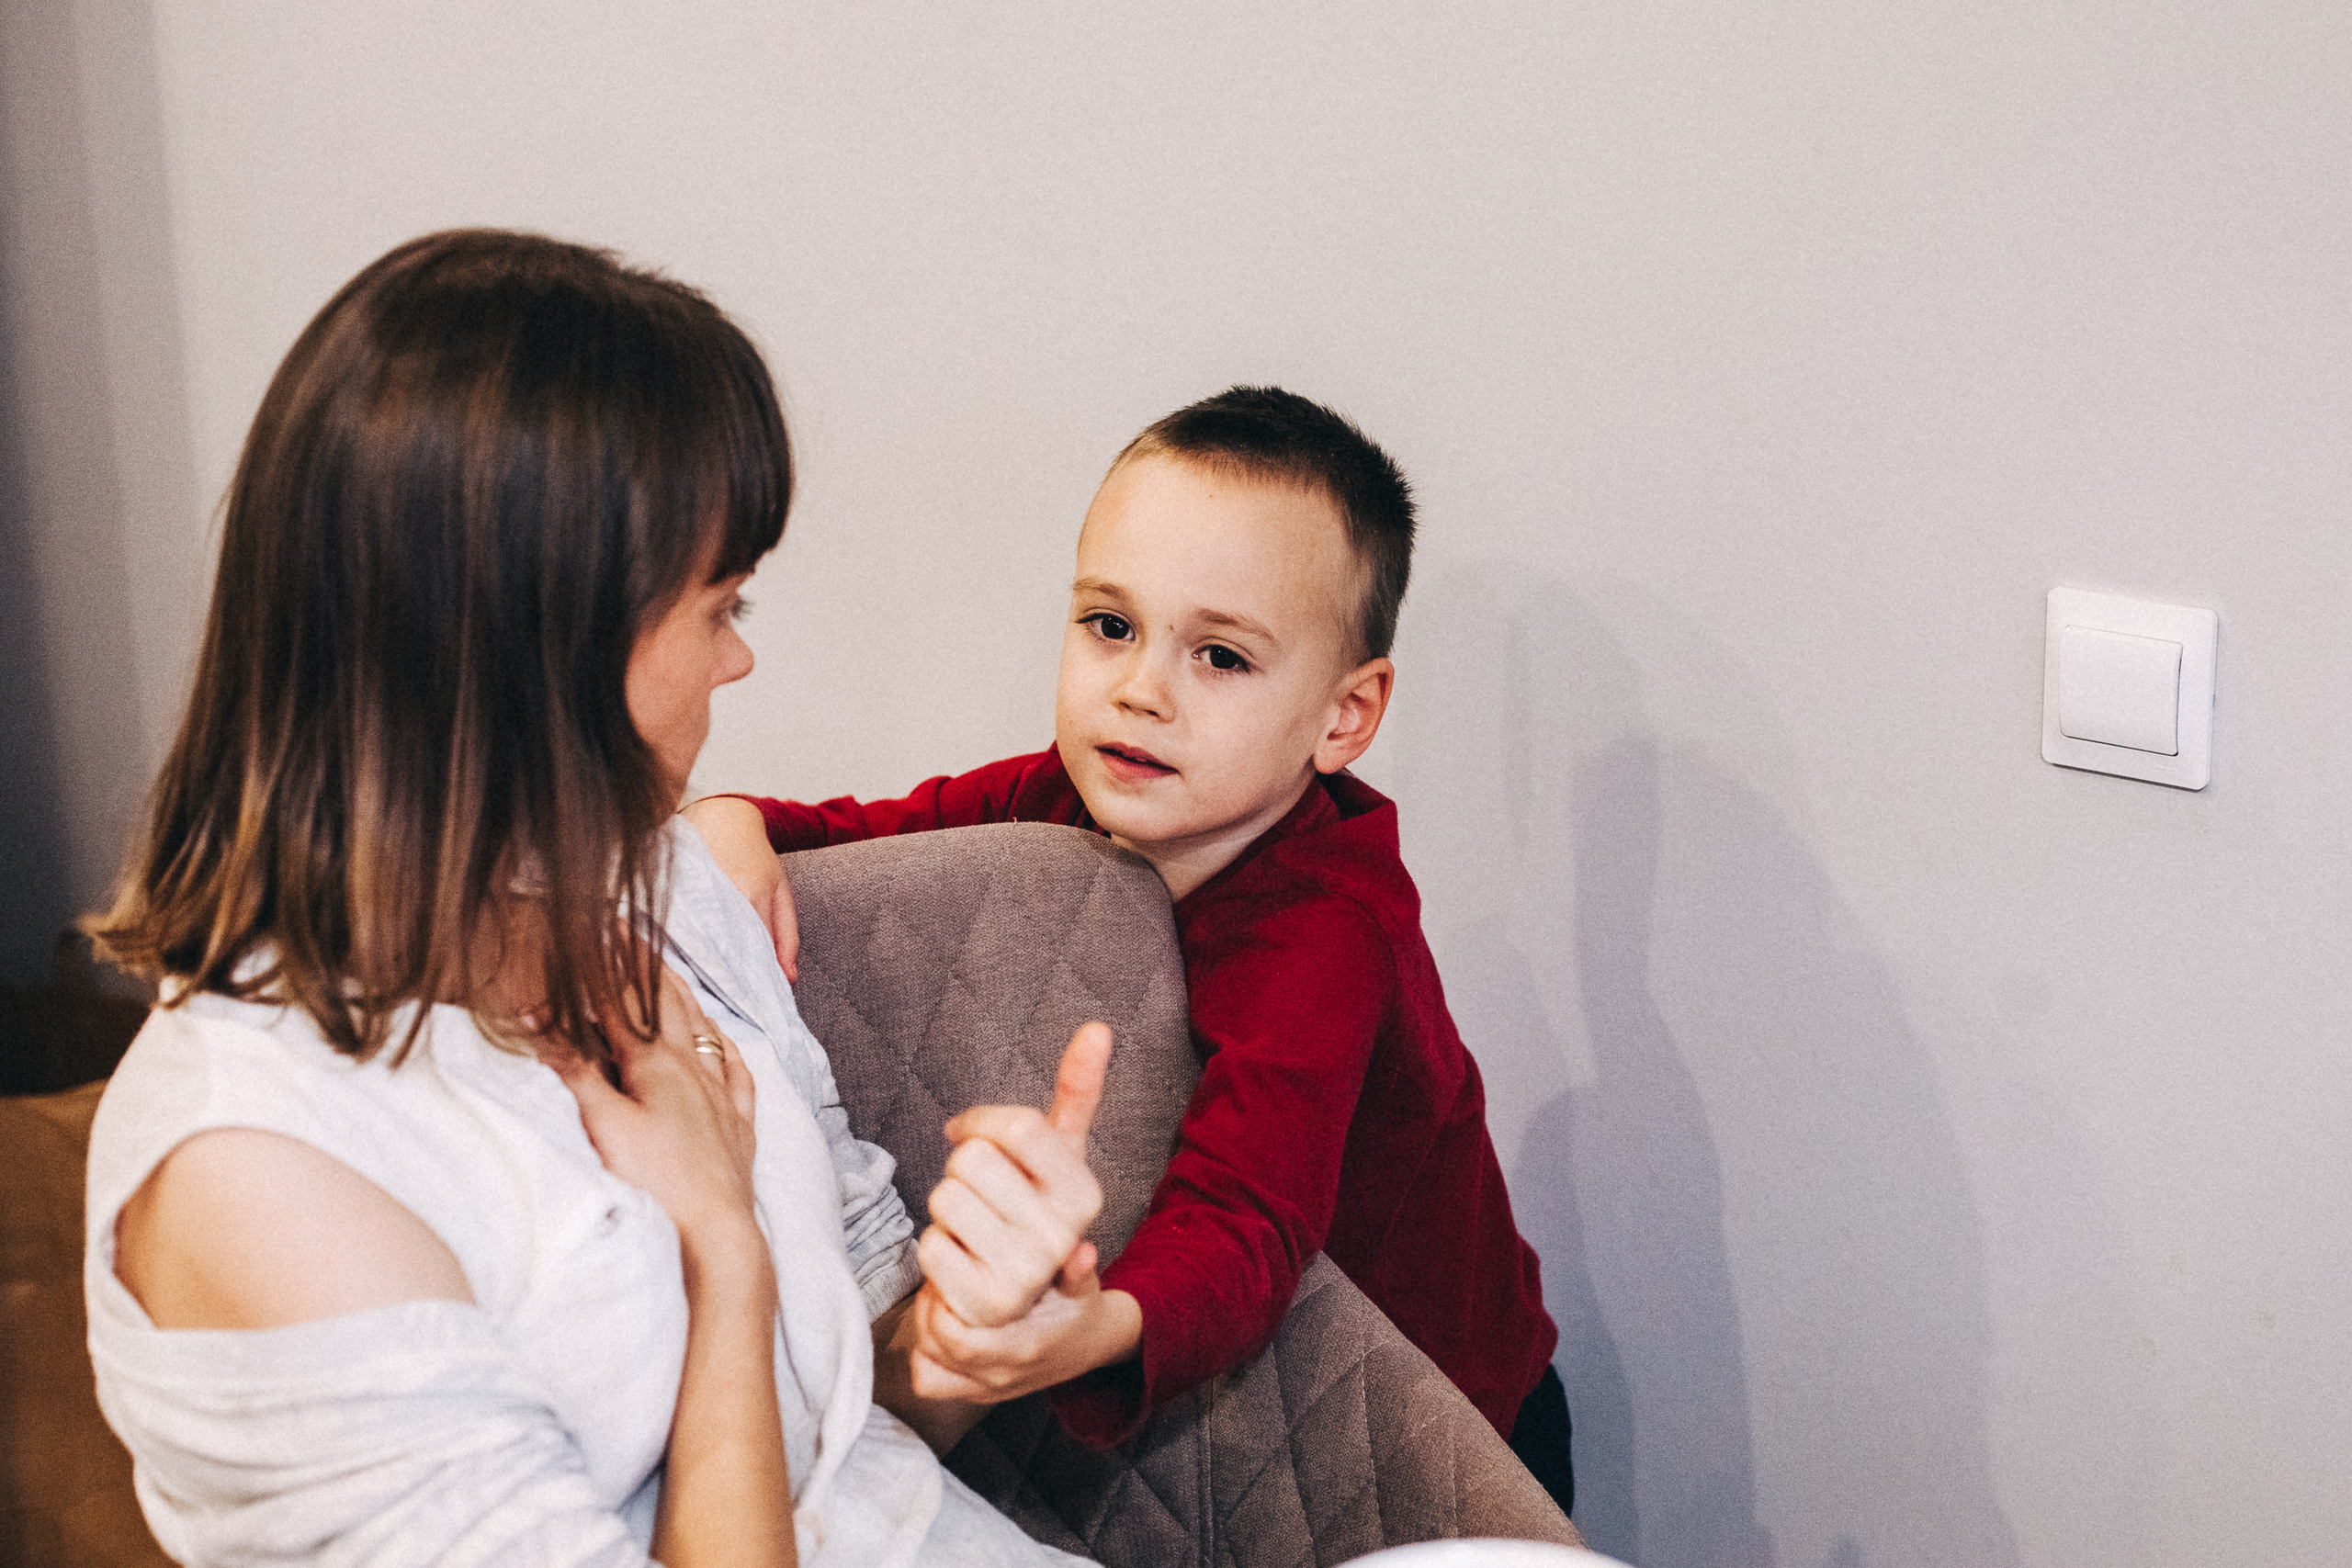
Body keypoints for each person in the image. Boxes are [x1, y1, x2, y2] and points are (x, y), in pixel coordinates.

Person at [81, 229, 1095, 1568]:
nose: (741, 659)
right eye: (719, 603)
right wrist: (720, 1253)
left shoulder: (658, 885)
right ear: (536, 652)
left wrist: (967, 1331)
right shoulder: (261, 1170)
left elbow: (852, 1432)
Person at [684, 387, 1575, 1517]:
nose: (1141, 690)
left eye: (1220, 658)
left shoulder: (1325, 927)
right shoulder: (1058, 797)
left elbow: (1249, 1219)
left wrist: (1094, 1330)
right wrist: (732, 819)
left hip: (1453, 1415)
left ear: (1343, 718)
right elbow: (857, 836)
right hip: (1241, 1384)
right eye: (1110, 626)